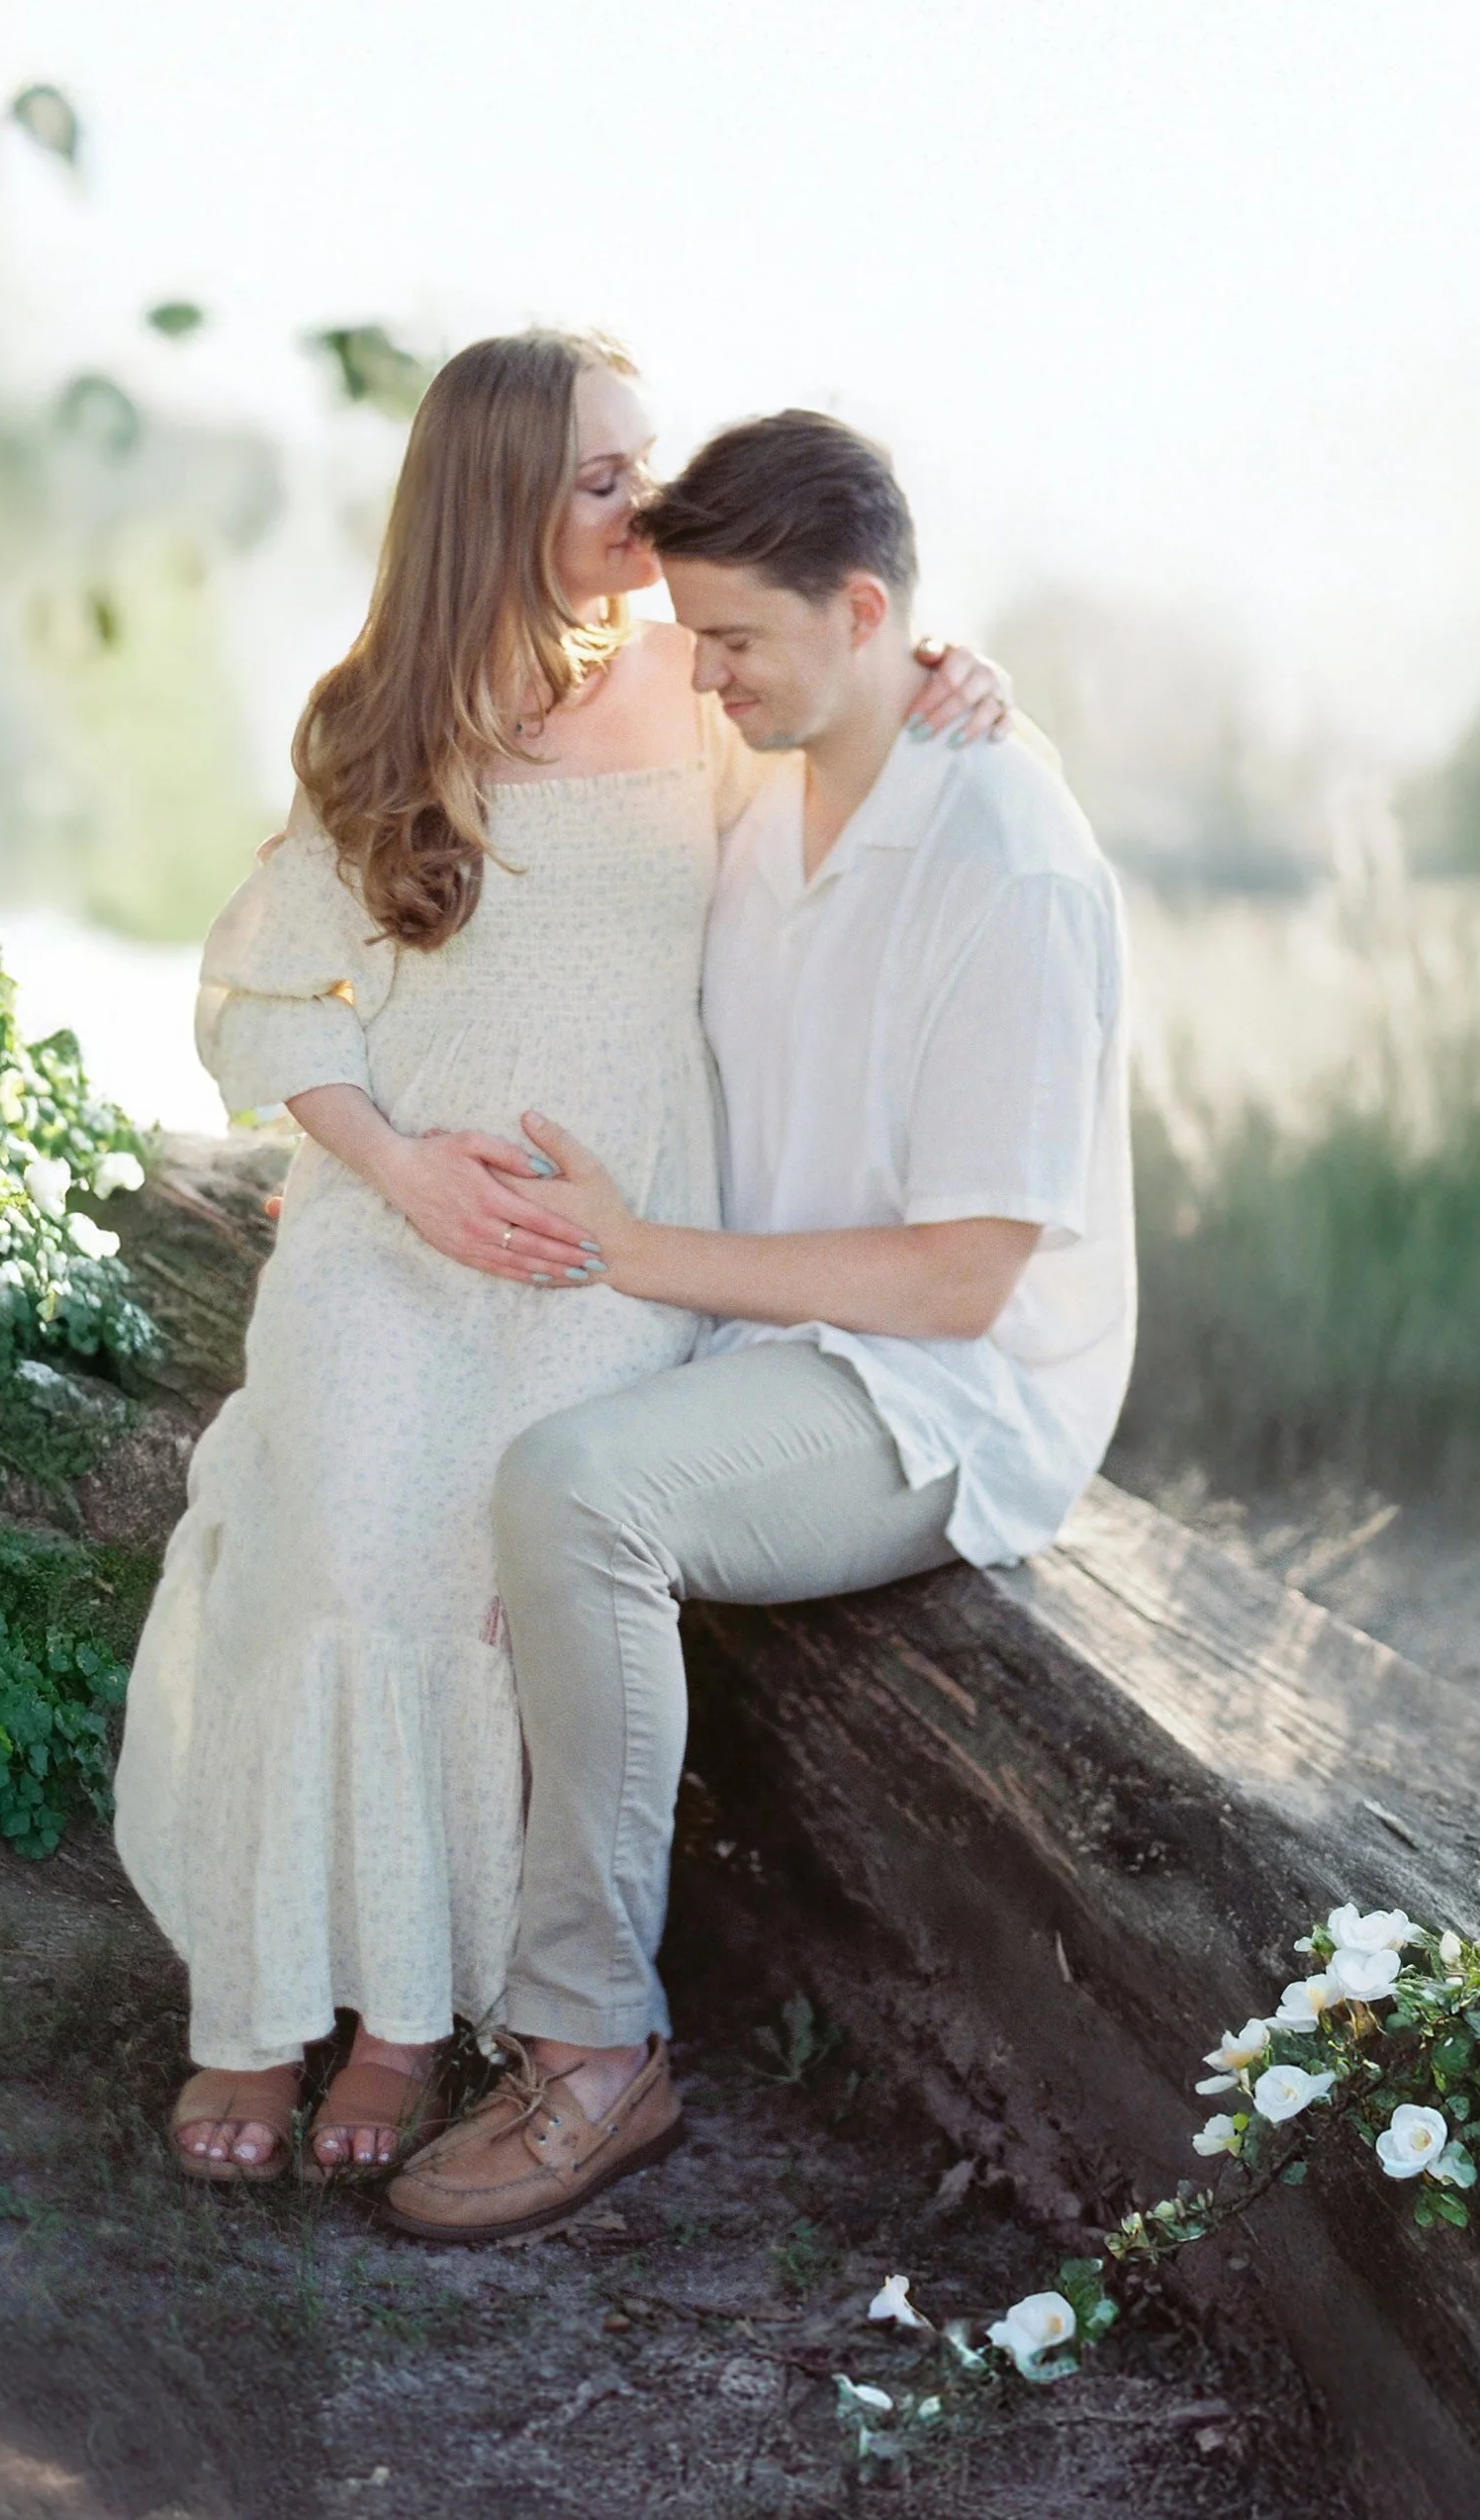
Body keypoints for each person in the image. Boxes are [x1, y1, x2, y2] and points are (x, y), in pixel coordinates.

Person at [113, 338, 1004, 2185]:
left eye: (645, 463)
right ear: (497, 497)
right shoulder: (377, 710)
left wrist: (974, 678)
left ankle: (413, 2019)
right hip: (400, 1209)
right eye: (608, 476)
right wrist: (402, 1177)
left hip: (616, 1230)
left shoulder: (704, 677)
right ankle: (260, 2006)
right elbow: (274, 1007)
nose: (650, 503)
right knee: (339, 1529)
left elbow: (872, 699)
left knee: (488, 1561)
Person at [382, 408, 1133, 2246]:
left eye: (737, 642)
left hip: (945, 1391)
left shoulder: (1008, 864)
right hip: (765, 1340)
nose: (699, 675)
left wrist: (641, 1259)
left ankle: (590, 2050)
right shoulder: (774, 776)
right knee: (453, 1464)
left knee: (574, 1495)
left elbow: (968, 1277)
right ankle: (387, 1981)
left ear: (867, 608)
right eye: (692, 634)